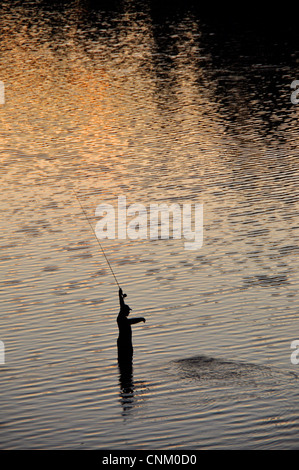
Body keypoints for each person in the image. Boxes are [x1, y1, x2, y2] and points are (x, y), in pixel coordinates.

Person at [117, 287, 145, 362]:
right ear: (125, 311)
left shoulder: (122, 316)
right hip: (124, 343)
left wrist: (121, 296)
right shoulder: (122, 319)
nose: (129, 312)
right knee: (126, 361)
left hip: (126, 342)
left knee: (127, 361)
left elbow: (121, 305)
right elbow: (132, 321)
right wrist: (141, 319)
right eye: (128, 311)